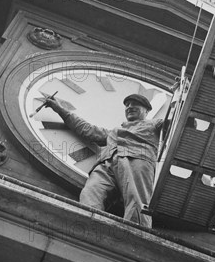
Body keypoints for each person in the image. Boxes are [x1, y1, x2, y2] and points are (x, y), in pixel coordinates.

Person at [44, 93, 163, 227]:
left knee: (136, 201)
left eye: (135, 104)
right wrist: (59, 109)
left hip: (136, 160)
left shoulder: (155, 124)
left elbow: (180, 122)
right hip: (106, 164)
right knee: (90, 193)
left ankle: (137, 237)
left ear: (146, 110)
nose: (130, 107)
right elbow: (87, 129)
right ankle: (89, 227)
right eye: (127, 105)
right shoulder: (114, 132)